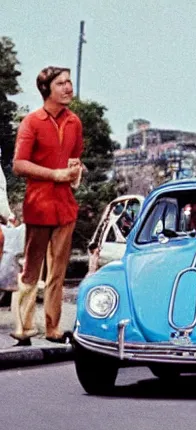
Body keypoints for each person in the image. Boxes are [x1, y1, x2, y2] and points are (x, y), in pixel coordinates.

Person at [11, 66, 84, 345]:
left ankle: (53, 327)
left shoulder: (75, 122)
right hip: (40, 204)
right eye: (61, 84)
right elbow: (19, 164)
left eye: (69, 82)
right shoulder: (32, 122)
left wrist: (76, 170)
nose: (68, 88)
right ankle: (24, 327)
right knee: (32, 267)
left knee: (58, 271)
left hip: (65, 205)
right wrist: (54, 174)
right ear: (46, 90)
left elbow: (75, 156)